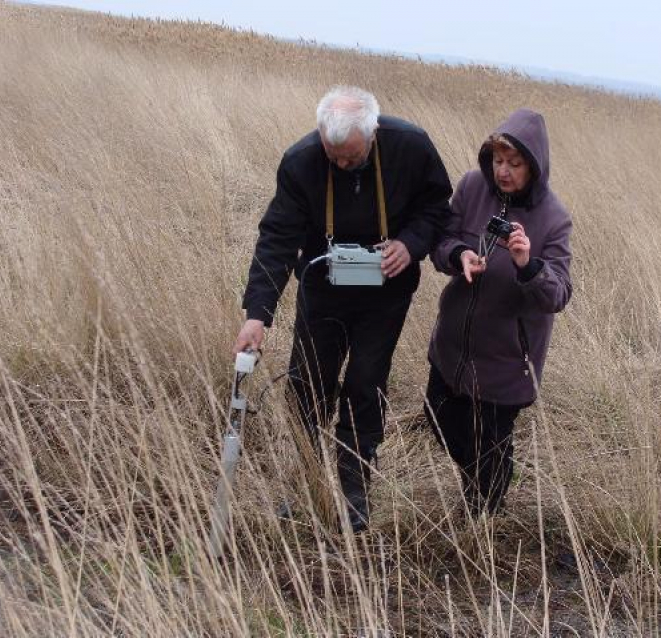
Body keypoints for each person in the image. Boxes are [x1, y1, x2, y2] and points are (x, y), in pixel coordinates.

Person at [234, 86, 452, 532]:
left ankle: (354, 492)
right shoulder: (301, 161)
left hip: (386, 293)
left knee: (364, 384)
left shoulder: (411, 146)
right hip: (322, 288)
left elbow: (437, 209)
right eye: (333, 156)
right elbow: (276, 240)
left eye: (351, 157)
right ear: (320, 136)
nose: (341, 164)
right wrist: (258, 312)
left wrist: (410, 246)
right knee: (307, 382)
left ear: (373, 133)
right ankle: (307, 484)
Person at [425, 108, 573, 517]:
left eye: (514, 163)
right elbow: (443, 241)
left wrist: (528, 264)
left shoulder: (554, 219)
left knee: (489, 444)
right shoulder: (473, 187)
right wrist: (460, 255)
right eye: (498, 160)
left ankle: (484, 513)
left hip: (507, 360)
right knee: (437, 415)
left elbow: (558, 294)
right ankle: (489, 478)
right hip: (453, 344)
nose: (503, 171)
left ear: (535, 166)